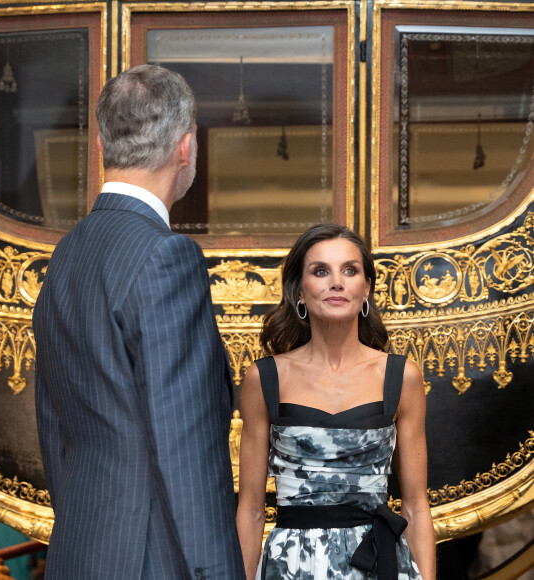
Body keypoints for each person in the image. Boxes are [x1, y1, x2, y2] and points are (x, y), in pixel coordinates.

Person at [34, 64, 245, 579]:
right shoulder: (167, 257)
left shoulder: (64, 256)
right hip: (153, 559)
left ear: (102, 148)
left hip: (79, 552)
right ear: (185, 147)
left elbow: (52, 421)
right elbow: (187, 450)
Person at [236, 224, 436, 580]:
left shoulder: (402, 377)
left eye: (350, 270)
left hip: (378, 564)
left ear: (366, 289)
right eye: (320, 271)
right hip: (292, 566)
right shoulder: (264, 379)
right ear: (299, 292)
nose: (337, 282)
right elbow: (251, 510)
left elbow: (416, 505)